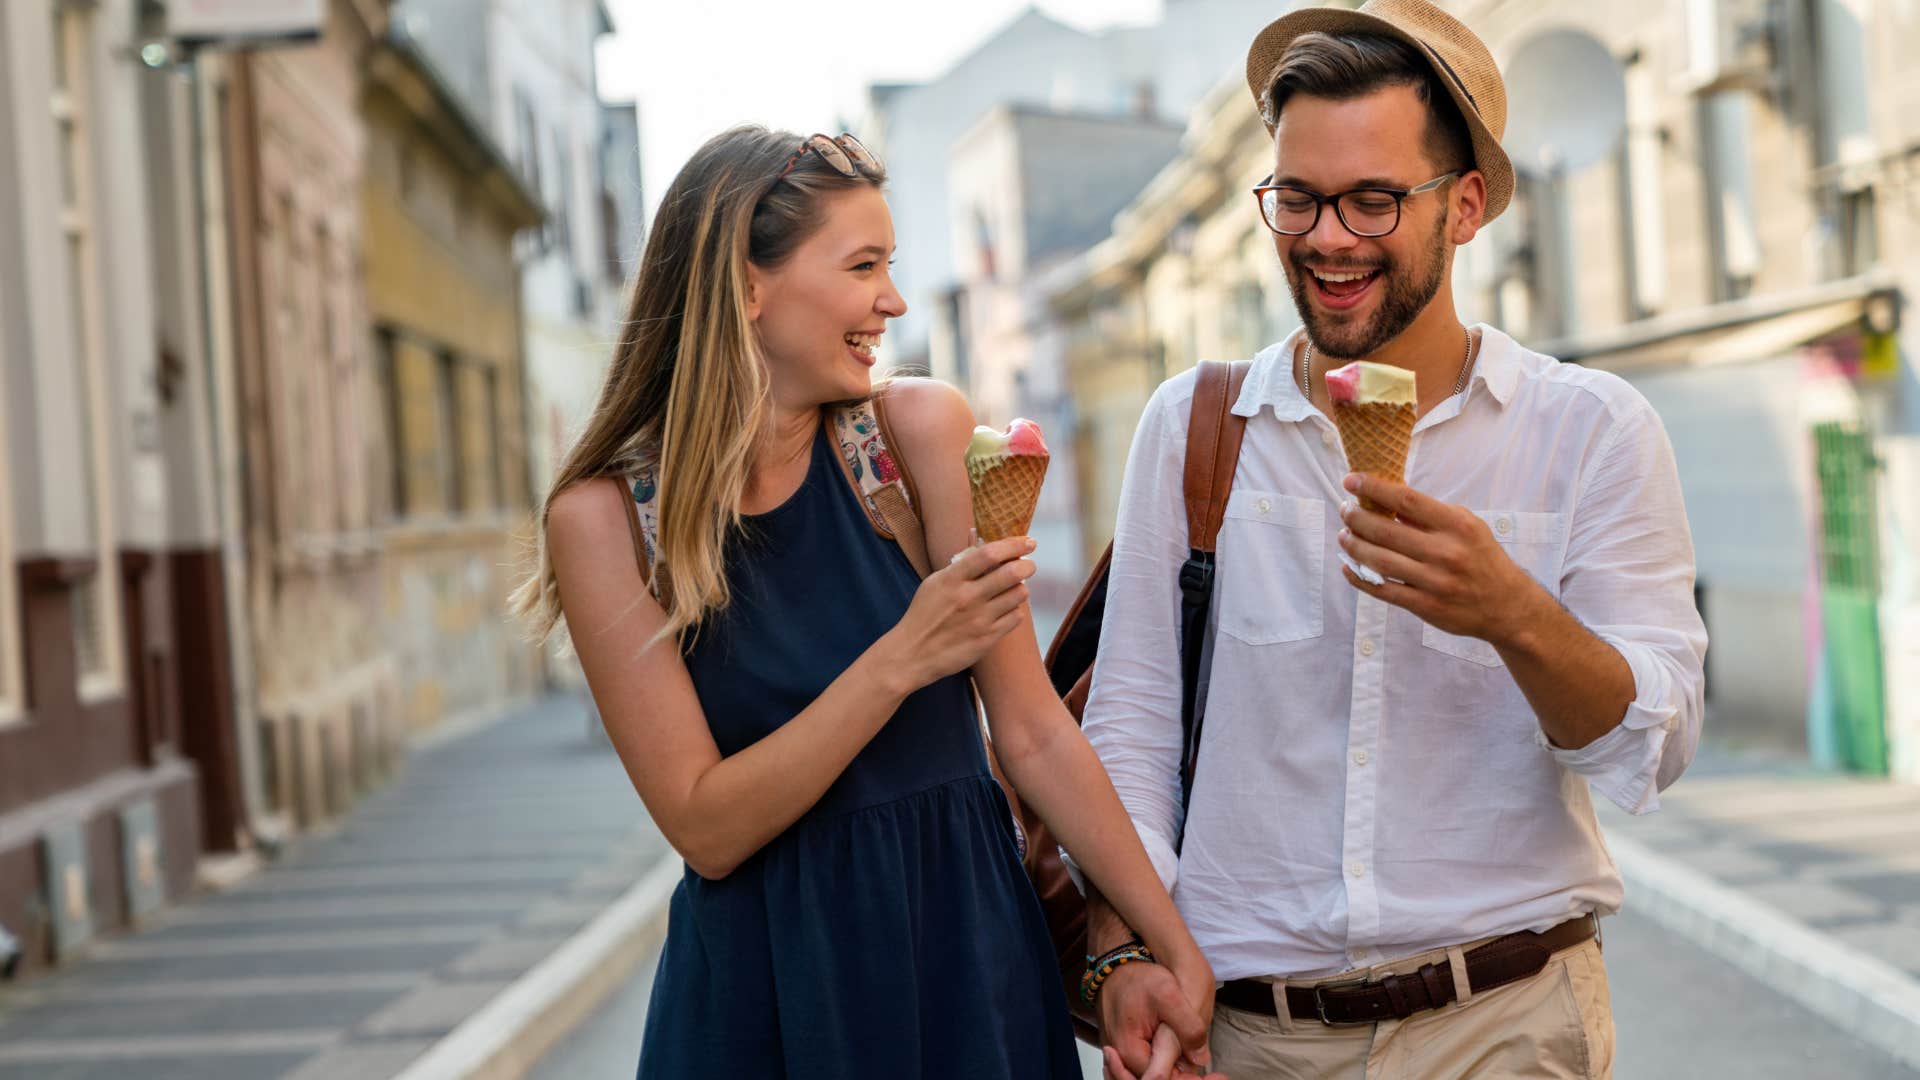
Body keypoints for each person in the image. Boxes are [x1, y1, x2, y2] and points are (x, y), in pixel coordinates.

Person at [1078, 2, 1708, 1076]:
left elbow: (1650, 747)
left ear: (1464, 208)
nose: (1327, 238)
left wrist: (1511, 613)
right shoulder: (1195, 428)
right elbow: (1132, 735)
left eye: (1372, 200)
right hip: (1250, 1032)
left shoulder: (1588, 429)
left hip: (1506, 1019)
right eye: (1299, 199)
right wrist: (1121, 949)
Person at [513, 125, 1218, 1078]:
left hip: (968, 959)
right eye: (862, 266)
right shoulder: (603, 519)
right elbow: (705, 827)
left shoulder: (917, 435)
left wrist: (1165, 943)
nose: (891, 301)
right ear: (746, 285)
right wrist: (903, 658)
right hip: (770, 996)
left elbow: (1033, 733)